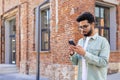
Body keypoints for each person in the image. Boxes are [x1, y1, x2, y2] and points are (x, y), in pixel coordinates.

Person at [69, 12, 110, 80]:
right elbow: (75, 62)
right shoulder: (80, 41)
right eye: (81, 27)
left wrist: (84, 54)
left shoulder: (103, 41)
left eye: (85, 26)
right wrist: (72, 54)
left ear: (92, 24)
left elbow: (104, 62)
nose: (82, 30)